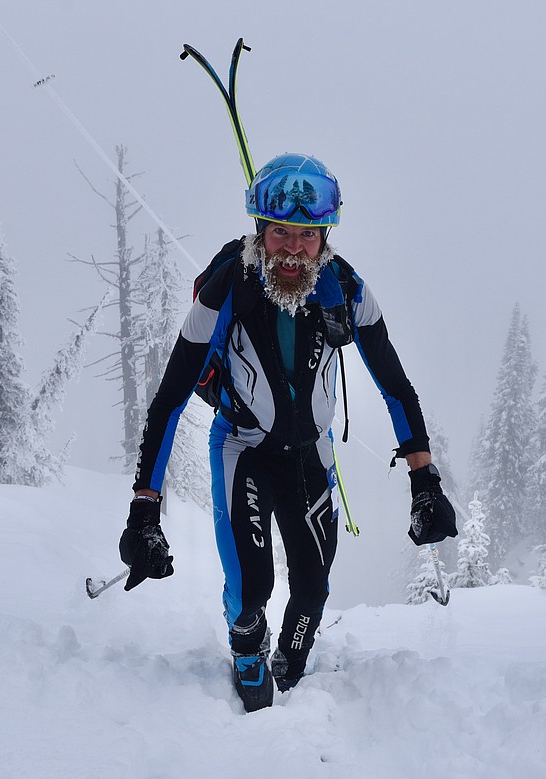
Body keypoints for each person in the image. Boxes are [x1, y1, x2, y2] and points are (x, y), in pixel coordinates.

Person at [118, 152, 457, 712]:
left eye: (308, 236)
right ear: (261, 231)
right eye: (281, 233)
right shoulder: (225, 290)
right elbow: (170, 399)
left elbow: (396, 387)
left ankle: (291, 660)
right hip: (242, 448)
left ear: (326, 238)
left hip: (309, 457)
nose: (294, 250)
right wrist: (144, 509)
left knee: (312, 589)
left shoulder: (346, 291)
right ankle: (248, 650)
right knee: (252, 590)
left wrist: (425, 482)